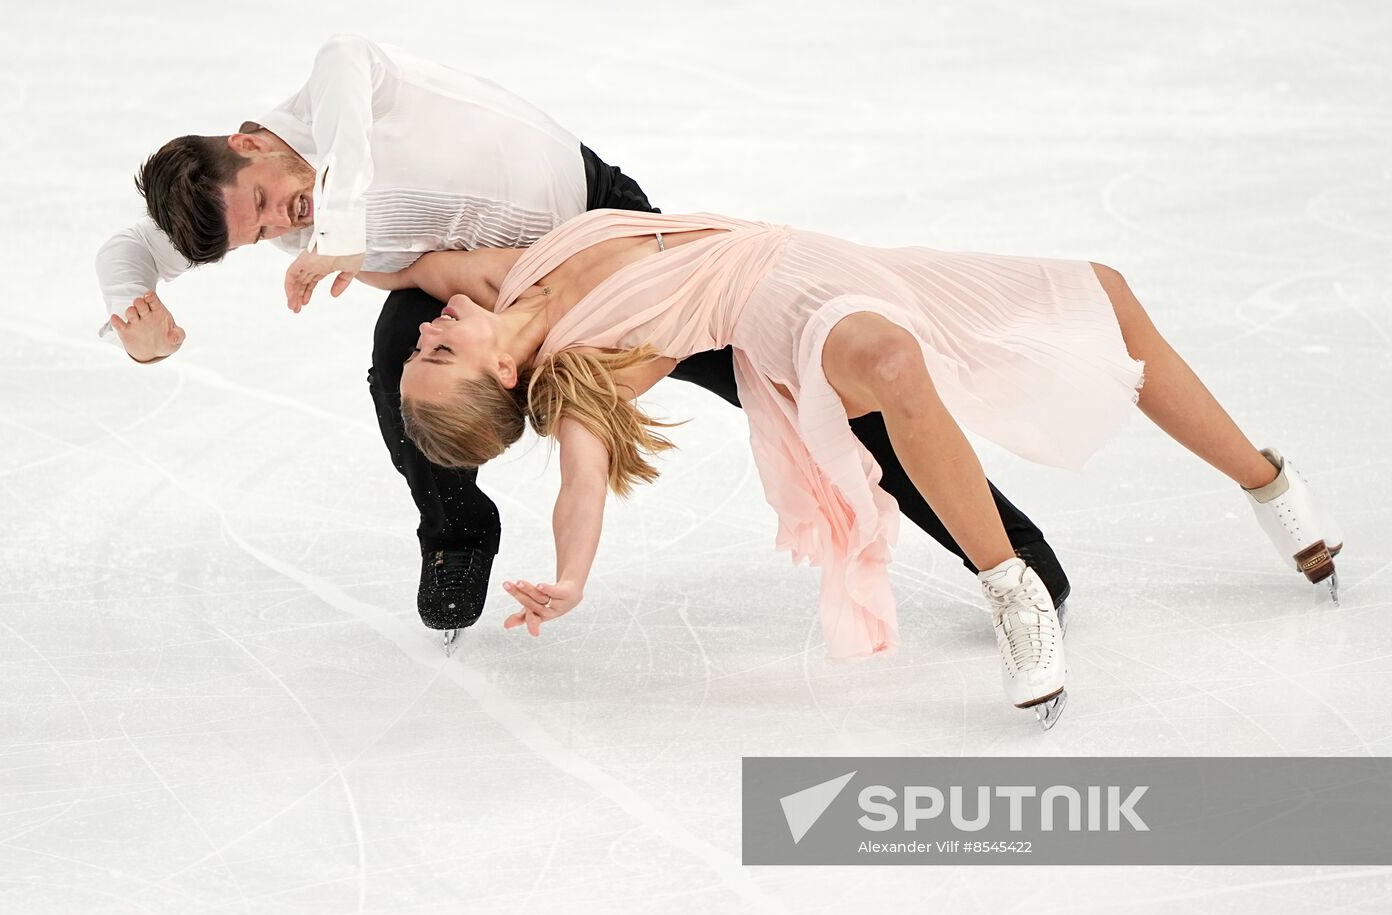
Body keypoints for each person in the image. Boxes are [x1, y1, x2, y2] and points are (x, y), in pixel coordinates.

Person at [93, 35, 1072, 638]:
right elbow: (127, 251)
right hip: (480, 284)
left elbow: (344, 72)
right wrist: (138, 313)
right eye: (264, 229)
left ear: (252, 138)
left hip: (603, 237)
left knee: (794, 375)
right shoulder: (267, 207)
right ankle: (457, 534)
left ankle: (996, 541)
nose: (282, 220)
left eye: (269, 201)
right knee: (399, 371)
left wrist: (338, 236)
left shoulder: (340, 87)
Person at [391, 210, 1344, 729]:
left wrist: (317, 258)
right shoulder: (572, 377)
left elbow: (417, 262)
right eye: (436, 354)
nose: (426, 333)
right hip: (776, 310)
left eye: (422, 346)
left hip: (820, 253)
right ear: (502, 377)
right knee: (889, 361)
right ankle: (1011, 589)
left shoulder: (505, 280)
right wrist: (570, 576)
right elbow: (581, 485)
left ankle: (1269, 485)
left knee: (1103, 295)